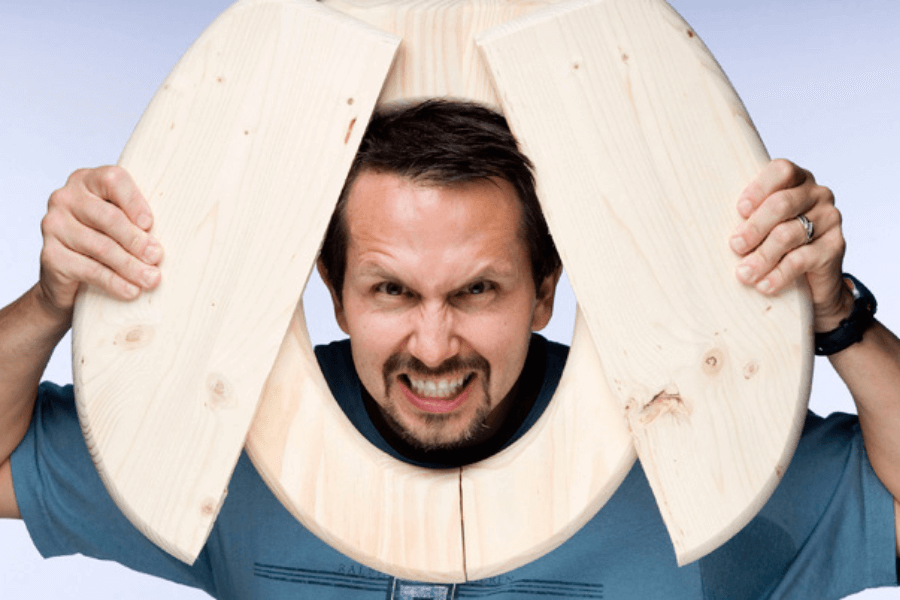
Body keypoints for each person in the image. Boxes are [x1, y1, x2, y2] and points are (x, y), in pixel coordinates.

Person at [1, 99, 898, 599]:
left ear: (548, 288)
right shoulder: (234, 445)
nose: (434, 346)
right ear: (332, 288)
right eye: (392, 290)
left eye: (478, 290)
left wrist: (837, 317)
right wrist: (52, 301)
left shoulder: (694, 443)